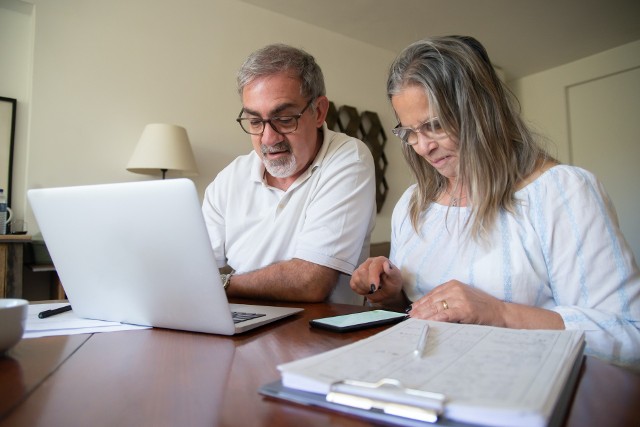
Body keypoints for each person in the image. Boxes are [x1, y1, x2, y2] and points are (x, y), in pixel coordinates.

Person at [350, 35, 640, 369]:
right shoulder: (414, 205)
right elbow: (412, 314)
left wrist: (498, 313)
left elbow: (629, 334)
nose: (422, 146)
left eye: (435, 125)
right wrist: (391, 294)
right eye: (409, 132)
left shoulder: (563, 193)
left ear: (481, 111)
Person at [203, 44, 376, 304]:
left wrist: (223, 284)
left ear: (318, 112)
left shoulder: (349, 157)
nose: (268, 138)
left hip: (318, 335)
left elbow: (311, 281)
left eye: (284, 119)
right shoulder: (230, 178)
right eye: (255, 121)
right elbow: (192, 267)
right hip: (241, 325)